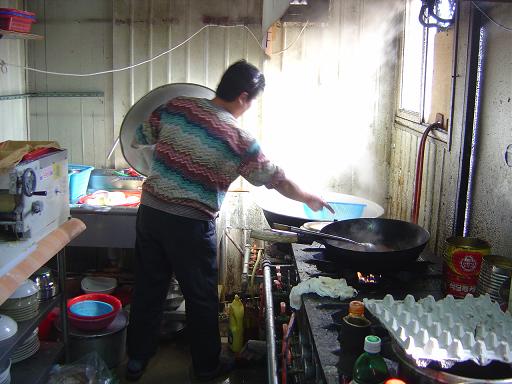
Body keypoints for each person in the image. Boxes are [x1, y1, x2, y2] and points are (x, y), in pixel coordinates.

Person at [126, 59, 333, 382]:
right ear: (243, 97)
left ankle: (136, 360)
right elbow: (276, 179)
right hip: (190, 224)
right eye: (252, 101)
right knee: (201, 297)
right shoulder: (238, 138)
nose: (249, 107)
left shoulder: (178, 106)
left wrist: (173, 157)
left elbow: (140, 136)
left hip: (151, 212)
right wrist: (308, 197)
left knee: (149, 289)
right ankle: (207, 367)